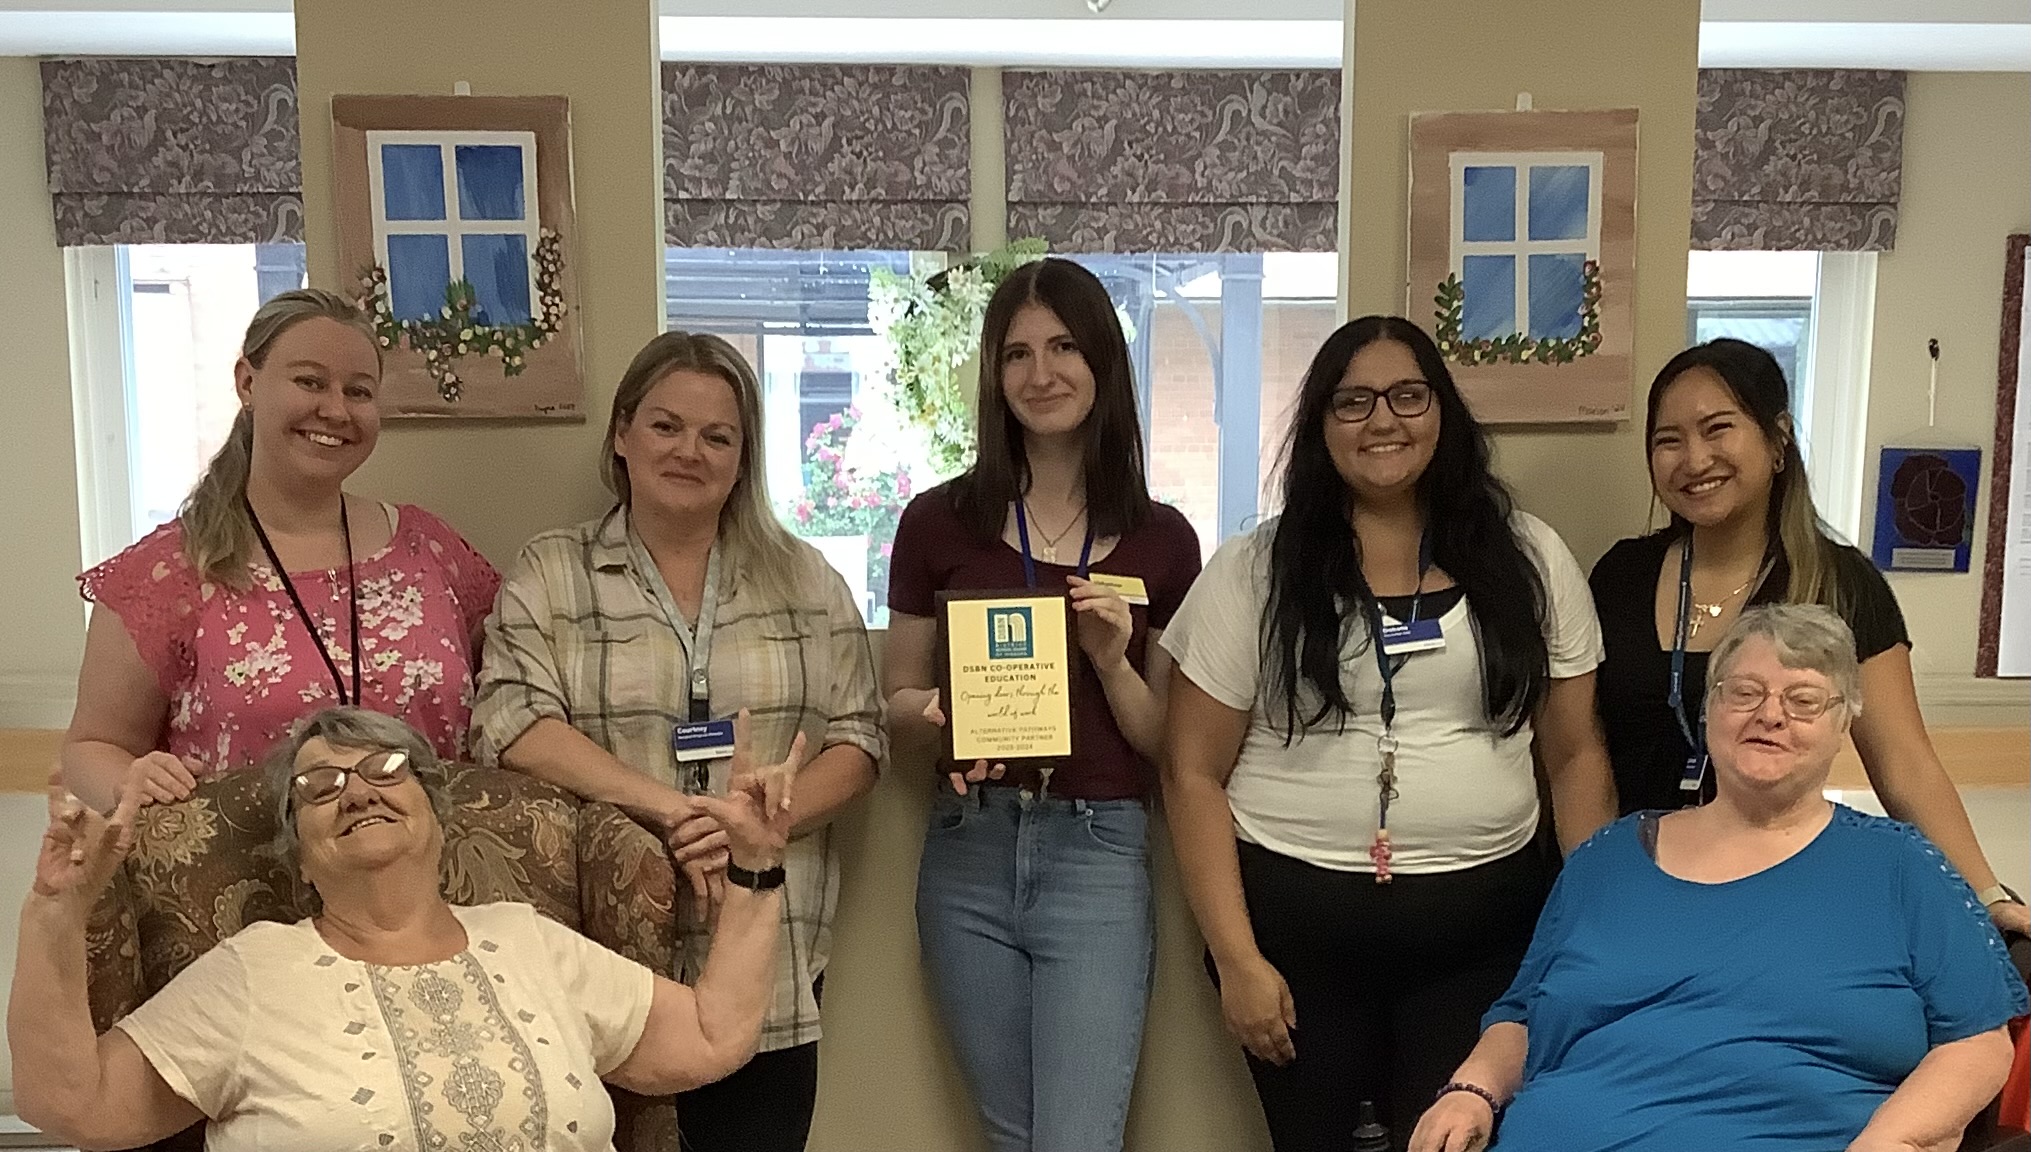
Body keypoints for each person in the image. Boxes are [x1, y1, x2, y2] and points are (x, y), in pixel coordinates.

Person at [1161, 316, 1618, 1152]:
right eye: (1352, 402)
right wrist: (1234, 959)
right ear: (1319, 425)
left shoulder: (1528, 558)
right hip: (1295, 948)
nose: (1382, 421)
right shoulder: (1254, 570)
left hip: (1479, 946)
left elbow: (1575, 754)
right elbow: (1191, 773)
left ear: (1441, 412)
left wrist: (1585, 931)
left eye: (1407, 396)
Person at [13, 706, 793, 1151]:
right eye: (320, 787)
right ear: (300, 855)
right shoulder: (251, 972)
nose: (356, 793)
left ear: (438, 812)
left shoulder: (528, 941)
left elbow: (713, 1035)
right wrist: (55, 913)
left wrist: (757, 868)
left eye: (386, 770)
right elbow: (71, 1103)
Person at [470, 330, 884, 1152]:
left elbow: (860, 741)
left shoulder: (807, 582)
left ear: (742, 457)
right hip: (598, 957)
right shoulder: (554, 573)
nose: (688, 451)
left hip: (769, 948)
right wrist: (669, 810)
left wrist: (757, 824)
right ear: (621, 434)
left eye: (716, 436)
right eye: (665, 426)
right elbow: (509, 724)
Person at [1410, 605, 2028, 1152]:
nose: (1771, 716)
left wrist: (1897, 1138)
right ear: (1709, 712)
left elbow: (1978, 1041)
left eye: (1805, 700)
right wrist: (1472, 1089)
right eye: (1745, 693)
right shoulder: (1608, 859)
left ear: (1845, 725)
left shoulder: (1903, 867)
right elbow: (1522, 1013)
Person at [882, 257, 1202, 1152]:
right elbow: (895, 701)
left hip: (1098, 851)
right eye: (1016, 353)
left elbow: (1163, 744)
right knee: (1010, 1136)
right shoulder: (936, 521)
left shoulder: (1164, 538)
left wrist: (1111, 661)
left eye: (1063, 346)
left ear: (1101, 360)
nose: (1040, 373)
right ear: (994, 374)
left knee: (1074, 1142)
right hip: (967, 850)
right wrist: (937, 717)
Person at [1591, 337, 2029, 936]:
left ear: (1777, 441)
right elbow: (1580, 752)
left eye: (1718, 428)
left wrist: (1986, 894)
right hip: (1641, 885)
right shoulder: (1620, 576)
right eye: (1669, 440)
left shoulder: (1842, 583)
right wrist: (1591, 884)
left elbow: (1905, 765)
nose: (1694, 459)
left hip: (1781, 893)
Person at [60, 289, 500, 814]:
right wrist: (130, 781)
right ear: (248, 382)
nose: (335, 410)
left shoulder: (429, 549)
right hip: (248, 883)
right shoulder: (167, 573)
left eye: (359, 392)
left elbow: (508, 694)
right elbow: (89, 749)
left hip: (428, 877)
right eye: (310, 382)